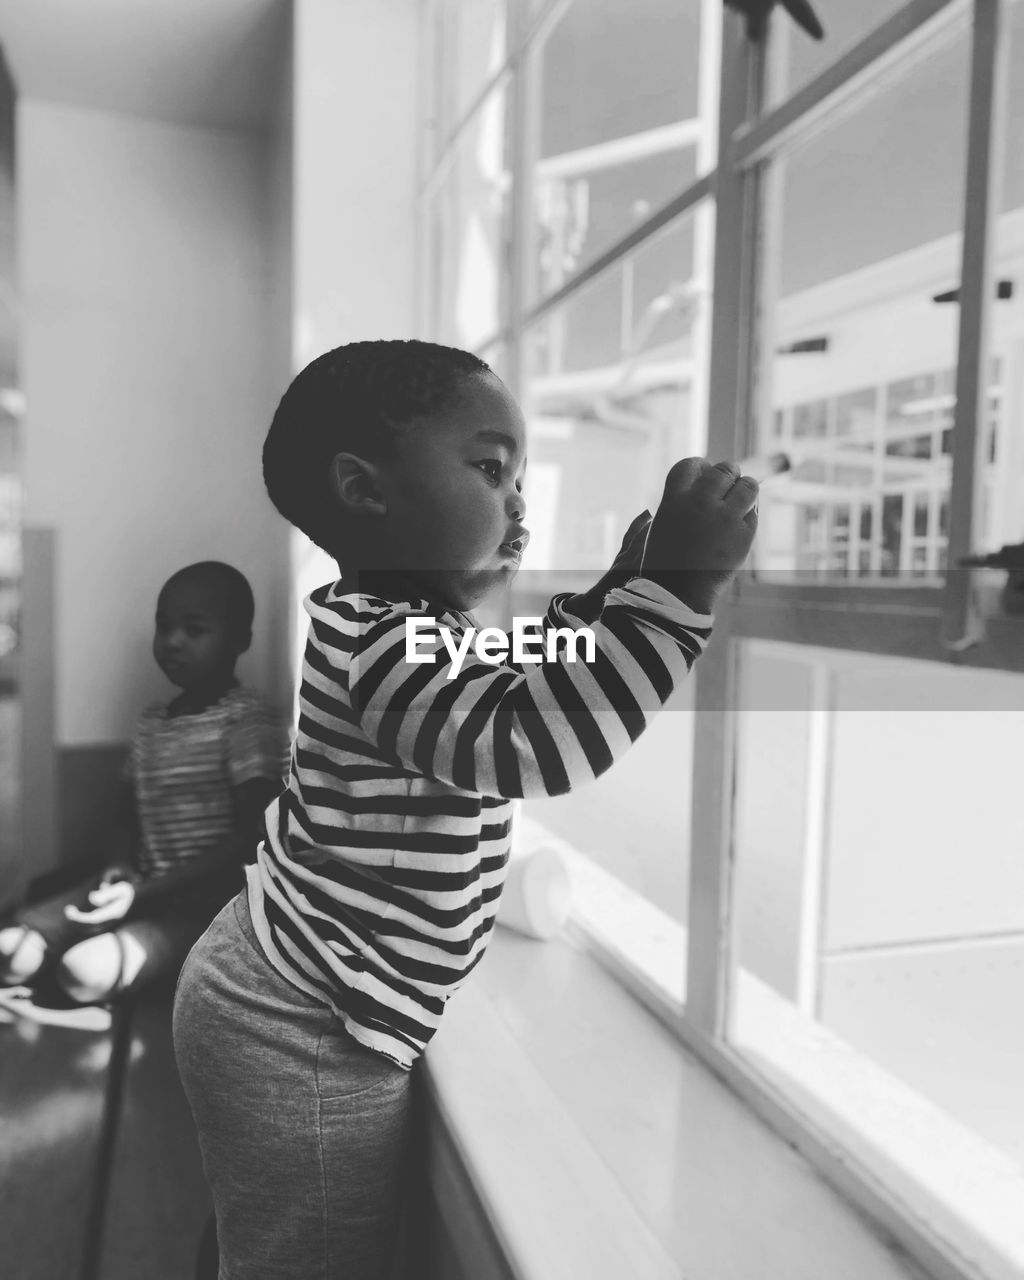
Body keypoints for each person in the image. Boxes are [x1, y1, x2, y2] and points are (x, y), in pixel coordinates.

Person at [172, 339, 758, 1280]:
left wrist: (613, 598)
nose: (518, 499)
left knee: (285, 1233)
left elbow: (518, 679)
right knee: (312, 1257)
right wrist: (679, 594)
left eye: (519, 475)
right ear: (367, 492)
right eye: (490, 467)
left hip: (304, 996)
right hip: (299, 1023)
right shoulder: (384, 647)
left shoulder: (412, 631)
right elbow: (535, 738)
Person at [0, 561, 287, 1023]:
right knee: (10, 954)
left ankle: (135, 954)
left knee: (80, 975)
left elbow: (251, 838)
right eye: (164, 627)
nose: (173, 641)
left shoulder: (246, 719)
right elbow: (128, 815)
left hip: (202, 907)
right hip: (138, 886)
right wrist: (118, 871)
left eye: (193, 630)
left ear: (239, 642)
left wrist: (146, 895)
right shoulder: (152, 722)